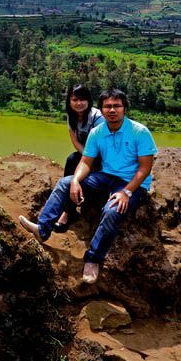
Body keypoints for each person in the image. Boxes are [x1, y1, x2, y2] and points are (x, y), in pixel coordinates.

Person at [18, 88, 157, 284]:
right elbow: (85, 161)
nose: (112, 110)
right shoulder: (97, 132)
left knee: (112, 211)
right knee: (65, 183)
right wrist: (75, 180)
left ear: (125, 108)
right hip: (105, 176)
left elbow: (145, 167)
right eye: (107, 106)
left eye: (116, 106)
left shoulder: (139, 132)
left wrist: (126, 192)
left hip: (132, 183)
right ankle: (43, 230)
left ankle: (93, 258)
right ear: (100, 109)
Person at [53, 84, 104, 233]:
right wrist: (86, 159)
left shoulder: (97, 117)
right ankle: (68, 211)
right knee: (71, 160)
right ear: (69, 101)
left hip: (102, 157)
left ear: (89, 100)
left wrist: (92, 161)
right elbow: (75, 141)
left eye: (83, 99)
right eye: (75, 99)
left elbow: (103, 144)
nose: (79, 103)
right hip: (87, 154)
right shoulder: (72, 116)